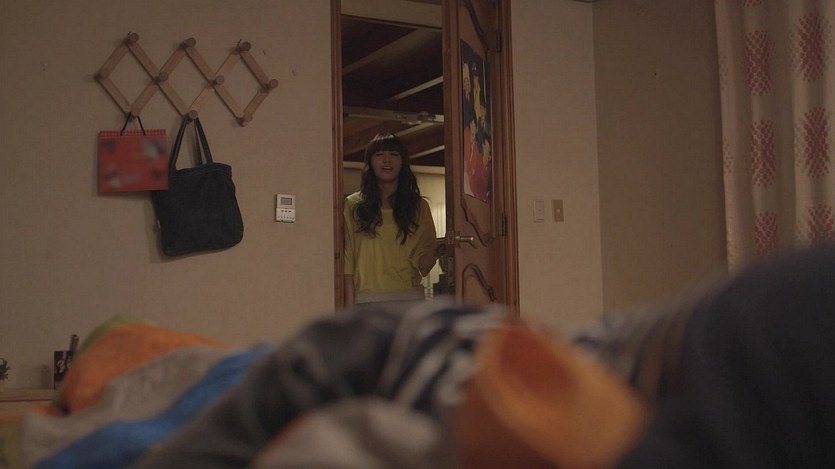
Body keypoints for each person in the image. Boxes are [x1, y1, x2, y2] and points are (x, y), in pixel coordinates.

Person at [343, 133, 445, 305]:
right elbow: (347, 263)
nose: (387, 160)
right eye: (379, 154)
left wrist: (442, 248)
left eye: (394, 154)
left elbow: (423, 263)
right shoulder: (352, 205)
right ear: (370, 162)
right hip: (366, 299)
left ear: (402, 161)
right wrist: (348, 309)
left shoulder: (418, 206)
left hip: (410, 297)